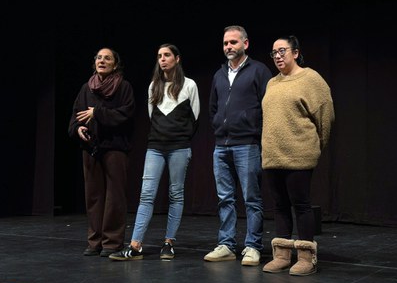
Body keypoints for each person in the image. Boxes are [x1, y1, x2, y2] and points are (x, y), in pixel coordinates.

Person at [109, 43, 200, 261]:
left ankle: (169, 243)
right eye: (159, 56)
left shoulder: (189, 85)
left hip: (179, 147)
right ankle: (135, 245)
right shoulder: (153, 87)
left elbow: (195, 118)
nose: (162, 59)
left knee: (175, 195)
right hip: (155, 147)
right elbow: (153, 117)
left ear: (177, 59)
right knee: (146, 194)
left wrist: (179, 138)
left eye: (167, 55)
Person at [261, 35, 335, 276]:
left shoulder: (311, 79)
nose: (278, 56)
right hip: (273, 156)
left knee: (301, 205)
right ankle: (282, 254)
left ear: (295, 52)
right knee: (279, 206)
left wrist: (315, 147)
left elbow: (326, 118)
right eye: (274, 52)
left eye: (282, 50)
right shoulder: (272, 83)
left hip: (299, 154)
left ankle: (305, 257)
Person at [204, 25, 272, 266]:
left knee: (251, 198)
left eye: (233, 42)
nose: (228, 47)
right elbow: (213, 107)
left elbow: (269, 106)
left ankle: (253, 246)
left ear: (245, 44)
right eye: (225, 43)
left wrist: (254, 128)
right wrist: (217, 125)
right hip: (221, 145)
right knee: (225, 198)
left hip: (247, 144)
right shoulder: (219, 74)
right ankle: (227, 244)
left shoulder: (259, 70)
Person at [68, 47, 135, 257]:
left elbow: (125, 115)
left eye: (107, 58)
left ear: (115, 64)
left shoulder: (123, 87)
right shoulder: (86, 88)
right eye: (98, 57)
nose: (102, 61)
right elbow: (75, 117)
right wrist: (78, 129)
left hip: (115, 147)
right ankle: (95, 241)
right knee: (94, 196)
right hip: (91, 148)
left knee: (115, 196)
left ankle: (112, 243)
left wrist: (98, 113)